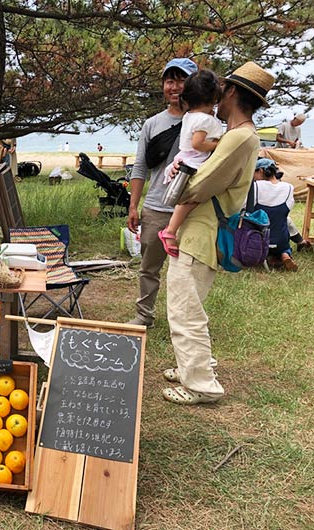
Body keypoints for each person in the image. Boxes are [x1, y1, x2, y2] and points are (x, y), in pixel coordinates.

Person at [162, 61, 274, 405]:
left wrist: (178, 182)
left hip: (202, 231)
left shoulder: (239, 137)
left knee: (184, 309)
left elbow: (202, 184)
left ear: (233, 93)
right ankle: (191, 367)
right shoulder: (238, 136)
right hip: (203, 230)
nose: (217, 97)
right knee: (189, 304)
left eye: (223, 90)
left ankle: (200, 385)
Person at [126, 57, 198, 328]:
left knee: (188, 270)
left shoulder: (202, 122)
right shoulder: (152, 124)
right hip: (156, 207)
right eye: (170, 80)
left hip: (192, 208)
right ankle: (144, 316)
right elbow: (140, 167)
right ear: (163, 85)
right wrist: (134, 206)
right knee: (149, 268)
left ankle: (185, 320)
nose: (175, 86)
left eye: (182, 80)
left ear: (193, 84)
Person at [158, 69, 223, 256]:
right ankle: (170, 231)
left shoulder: (189, 115)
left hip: (183, 157)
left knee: (185, 199)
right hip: (194, 161)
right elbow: (198, 143)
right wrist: (217, 145)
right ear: (213, 98)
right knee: (190, 200)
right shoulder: (205, 119)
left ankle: (173, 229)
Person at [252, 158, 297, 271]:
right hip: (280, 240)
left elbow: (244, 209)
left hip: (258, 240)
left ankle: (269, 257)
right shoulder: (288, 187)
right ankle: (284, 255)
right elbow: (288, 209)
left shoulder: (255, 187)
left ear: (261, 171)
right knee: (282, 225)